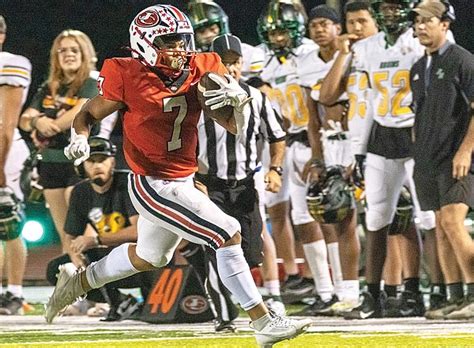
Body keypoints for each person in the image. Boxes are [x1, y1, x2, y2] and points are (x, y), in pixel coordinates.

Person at [45, 5, 311, 347]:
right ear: (144, 44)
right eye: (169, 41)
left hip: (182, 178)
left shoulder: (202, 67)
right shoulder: (127, 74)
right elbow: (88, 113)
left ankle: (78, 282)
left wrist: (238, 101)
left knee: (151, 256)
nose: (180, 49)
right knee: (227, 232)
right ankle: (262, 321)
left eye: (183, 40)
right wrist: (79, 138)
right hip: (151, 182)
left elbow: (231, 125)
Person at [187, 0, 288, 311]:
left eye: (235, 62)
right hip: (208, 183)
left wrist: (275, 170)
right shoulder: (194, 96)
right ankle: (225, 311)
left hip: (244, 184)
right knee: (217, 244)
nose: (230, 68)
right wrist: (191, 177)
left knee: (251, 251)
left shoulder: (258, 98)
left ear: (242, 63)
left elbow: (277, 136)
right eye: (223, 61)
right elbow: (181, 140)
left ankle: (258, 296)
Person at [318, 0, 413, 317]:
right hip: (360, 143)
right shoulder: (354, 55)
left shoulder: (397, 47)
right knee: (376, 217)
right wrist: (343, 54)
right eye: (351, 22)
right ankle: (376, 294)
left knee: (402, 219)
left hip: (396, 137)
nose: (355, 29)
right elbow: (327, 96)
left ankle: (401, 290)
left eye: (362, 21)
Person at [259, 0, 343, 313]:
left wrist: (319, 149)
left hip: (315, 142)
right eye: (273, 33)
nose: (278, 37)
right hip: (289, 143)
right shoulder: (267, 60)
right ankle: (323, 292)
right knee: (302, 218)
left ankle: (340, 288)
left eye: (283, 31)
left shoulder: (310, 53)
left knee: (328, 214)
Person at [410, 0, 474, 320]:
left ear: (445, 24)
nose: (420, 27)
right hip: (427, 159)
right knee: (440, 227)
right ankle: (455, 295)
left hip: (456, 157)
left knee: (452, 222)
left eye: (427, 21)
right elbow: (420, 114)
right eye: (417, 21)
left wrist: (466, 151)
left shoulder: (463, 60)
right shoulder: (418, 67)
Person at [298, 4, 361, 315]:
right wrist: (318, 158)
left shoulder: (356, 55)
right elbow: (313, 119)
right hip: (329, 142)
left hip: (355, 142)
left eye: (326, 24)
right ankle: (344, 291)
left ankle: (371, 289)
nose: (319, 30)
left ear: (338, 28)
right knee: (334, 218)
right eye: (314, 25)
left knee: (375, 220)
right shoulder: (307, 64)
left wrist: (357, 151)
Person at [46, 136, 150, 321]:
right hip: (108, 260)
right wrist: (76, 258)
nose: (97, 166)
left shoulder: (128, 183)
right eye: (91, 161)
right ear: (82, 166)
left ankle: (147, 300)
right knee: (58, 269)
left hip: (143, 259)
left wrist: (96, 240)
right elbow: (70, 236)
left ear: (112, 162)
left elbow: (138, 232)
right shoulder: (81, 192)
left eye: (102, 160)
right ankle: (120, 302)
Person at [19, 30, 99, 262]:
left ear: (85, 53)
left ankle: (98, 293)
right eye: (62, 50)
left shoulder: (92, 80)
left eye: (74, 50)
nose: (68, 55)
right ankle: (74, 288)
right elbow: (24, 119)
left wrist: (47, 124)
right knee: (65, 232)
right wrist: (36, 121)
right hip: (50, 163)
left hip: (80, 163)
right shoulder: (49, 86)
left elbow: (81, 112)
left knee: (84, 230)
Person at [0, 14, 31, 315]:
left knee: (9, 224)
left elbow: (6, 125)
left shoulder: (10, 63)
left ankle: (15, 293)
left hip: (5, 153)